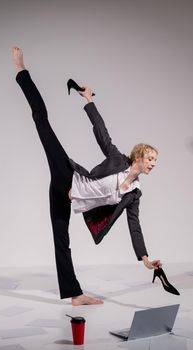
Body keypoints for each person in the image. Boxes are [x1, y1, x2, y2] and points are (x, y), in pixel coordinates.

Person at [12, 47, 162, 306]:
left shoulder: (134, 194)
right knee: (42, 121)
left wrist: (145, 259)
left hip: (67, 198)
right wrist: (89, 101)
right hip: (68, 177)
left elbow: (134, 226)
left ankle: (75, 295)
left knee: (62, 240)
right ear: (138, 156)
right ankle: (21, 70)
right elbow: (102, 133)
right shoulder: (117, 159)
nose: (153, 164)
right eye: (150, 159)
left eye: (155, 161)